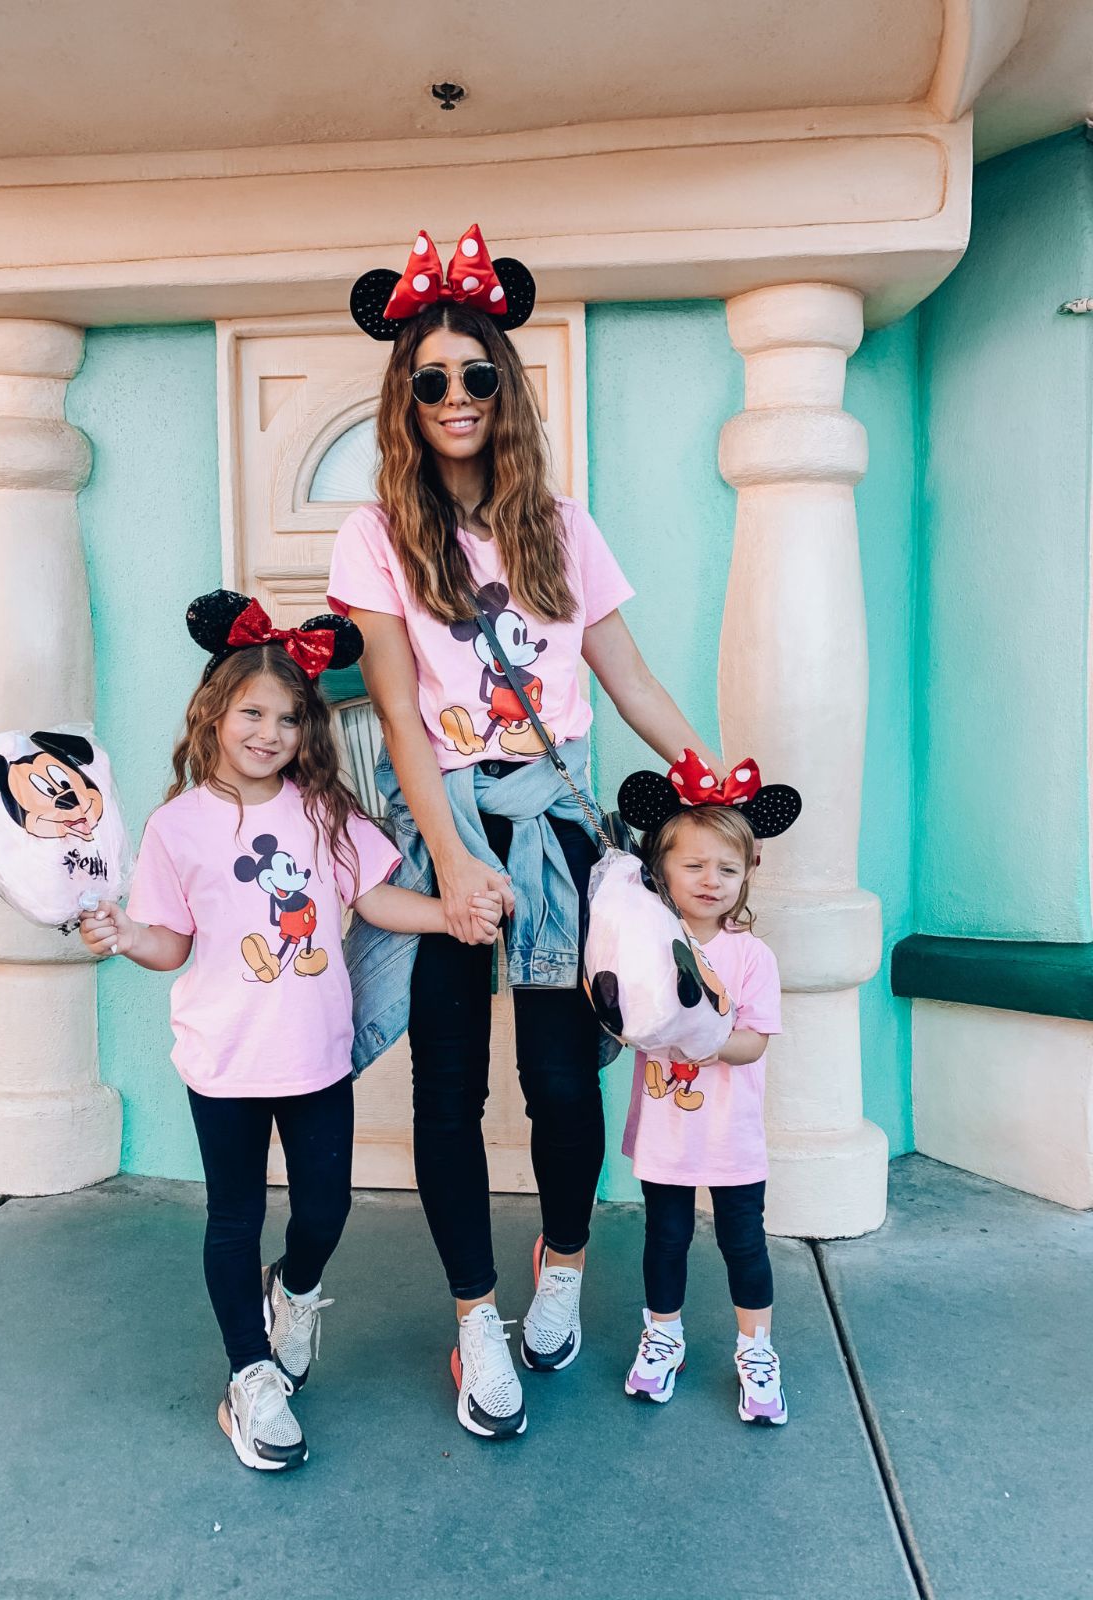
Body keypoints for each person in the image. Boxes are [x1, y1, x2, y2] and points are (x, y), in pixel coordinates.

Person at [329, 224, 722, 1440]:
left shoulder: (561, 524)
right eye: (432, 379)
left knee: (558, 1082)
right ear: (408, 395)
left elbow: (629, 678)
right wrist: (447, 857)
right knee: (446, 1091)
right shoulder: (377, 535)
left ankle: (560, 1262)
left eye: (477, 376)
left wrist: (711, 776)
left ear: (506, 388)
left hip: (551, 824)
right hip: (441, 813)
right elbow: (394, 707)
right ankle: (473, 1319)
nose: (456, 397)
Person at [79, 590, 500, 1471]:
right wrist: (123, 936)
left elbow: (373, 898)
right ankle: (249, 1376)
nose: (269, 732)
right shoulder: (176, 826)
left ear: (307, 729)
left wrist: (451, 914)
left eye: (288, 718)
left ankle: (296, 1291)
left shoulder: (323, 812)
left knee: (324, 1209)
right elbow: (171, 942)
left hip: (316, 1060)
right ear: (215, 715)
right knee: (233, 1217)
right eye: (253, 713)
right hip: (223, 1061)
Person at [616, 748, 799, 1423]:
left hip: (730, 1134)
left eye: (727, 868)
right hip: (667, 1130)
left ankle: (756, 1351)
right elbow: (623, 1017)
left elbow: (751, 1044)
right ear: (660, 869)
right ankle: (663, 1334)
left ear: (747, 876)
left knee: (742, 1242)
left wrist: (700, 1034)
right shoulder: (644, 946)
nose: (710, 879)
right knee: (663, 1236)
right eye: (693, 864)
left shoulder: (751, 956)